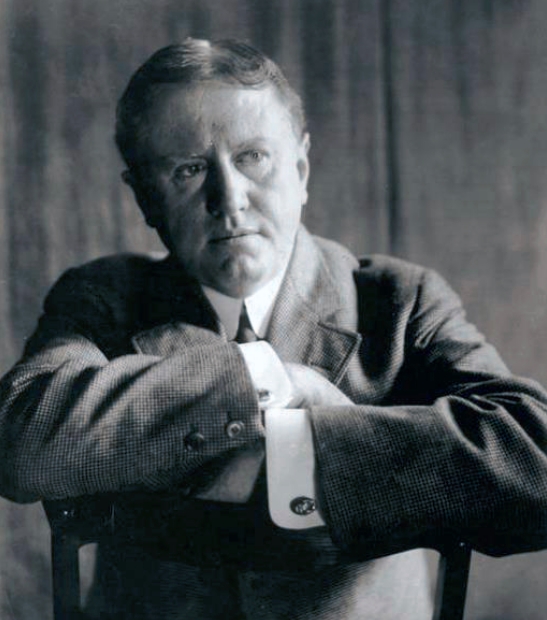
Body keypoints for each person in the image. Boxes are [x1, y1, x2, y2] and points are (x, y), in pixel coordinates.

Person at [1, 38, 547, 620]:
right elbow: (18, 444)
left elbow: (536, 461)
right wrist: (264, 379)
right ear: (144, 198)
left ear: (301, 170)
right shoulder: (105, 297)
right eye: (189, 170)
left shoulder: (400, 301)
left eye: (253, 157)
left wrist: (301, 447)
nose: (229, 200)